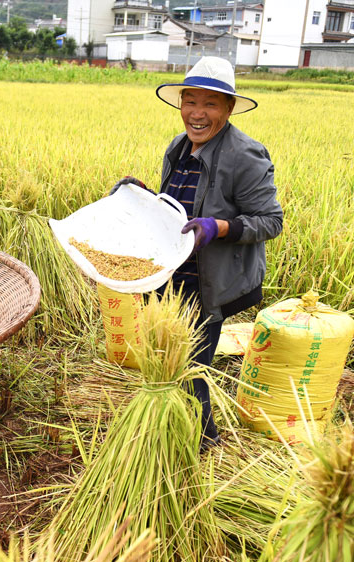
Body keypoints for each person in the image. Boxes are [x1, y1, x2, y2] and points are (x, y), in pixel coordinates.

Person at [110, 56, 283, 449]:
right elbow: (173, 206)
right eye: (190, 101)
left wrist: (218, 226)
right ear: (180, 104)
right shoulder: (178, 146)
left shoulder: (246, 155)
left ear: (229, 108)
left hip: (210, 283)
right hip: (168, 273)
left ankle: (205, 443)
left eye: (210, 104)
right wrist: (140, 194)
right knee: (164, 357)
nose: (197, 113)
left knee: (192, 370)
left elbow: (271, 221)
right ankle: (168, 428)